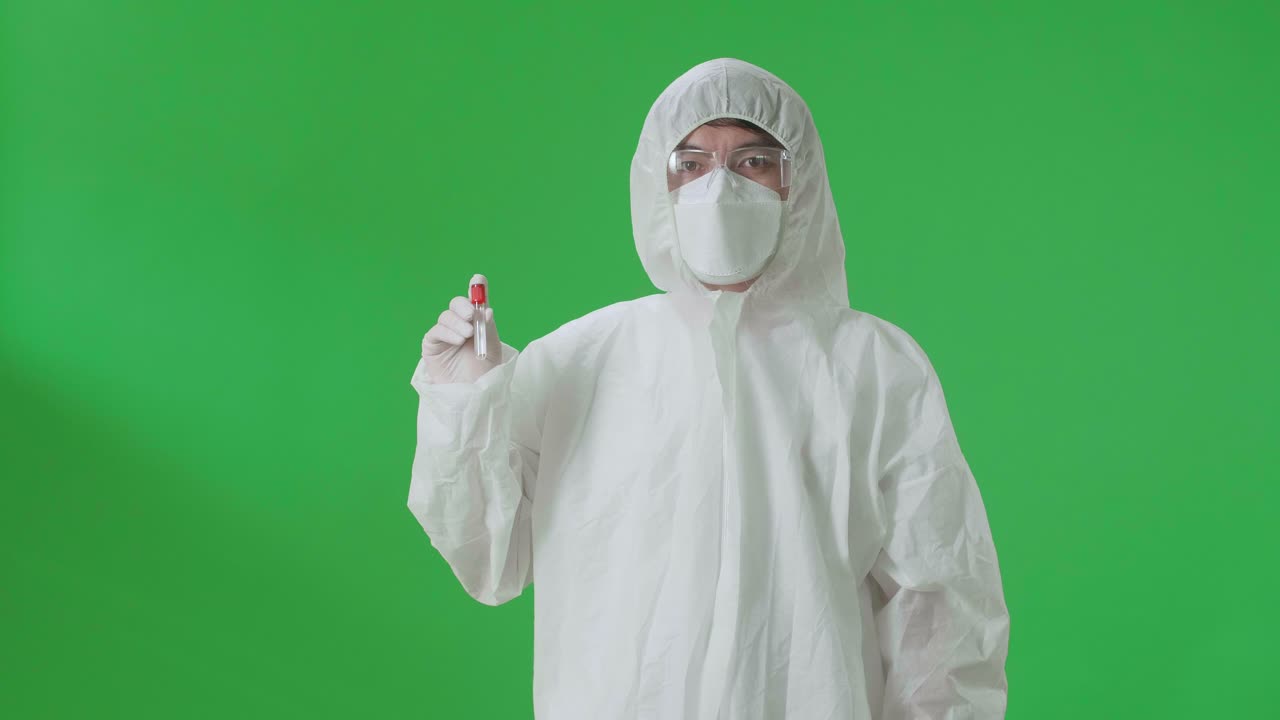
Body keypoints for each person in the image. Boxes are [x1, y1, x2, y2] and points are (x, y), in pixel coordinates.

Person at [409, 57, 1010, 720]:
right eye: (691, 164)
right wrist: (466, 405)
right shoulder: (581, 359)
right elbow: (492, 562)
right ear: (657, 186)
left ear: (797, 182)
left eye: (752, 161)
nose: (719, 189)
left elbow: (941, 607)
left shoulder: (873, 366)